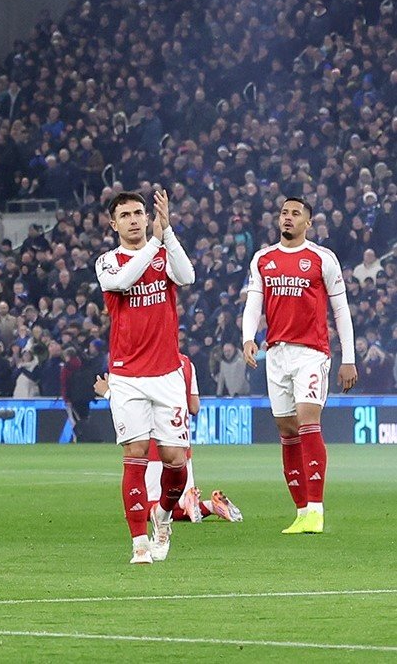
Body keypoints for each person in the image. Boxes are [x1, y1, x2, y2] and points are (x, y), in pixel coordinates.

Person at [242, 196, 357, 535]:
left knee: (308, 421)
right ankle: (302, 510)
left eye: (296, 214)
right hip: (276, 354)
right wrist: (249, 337)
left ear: (309, 223)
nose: (288, 218)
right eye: (284, 213)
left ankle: (317, 510)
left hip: (312, 353)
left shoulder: (322, 259)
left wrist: (348, 359)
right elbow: (254, 302)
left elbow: (342, 311)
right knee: (287, 431)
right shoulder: (263, 259)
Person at [94, 189, 195, 565]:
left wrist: (167, 233)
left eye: (140, 213)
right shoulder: (107, 262)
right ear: (113, 223)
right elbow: (122, 282)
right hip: (127, 376)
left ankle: (163, 518)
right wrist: (155, 241)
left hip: (168, 374)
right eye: (126, 215)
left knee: (174, 460)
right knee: (135, 455)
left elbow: (188, 275)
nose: (135, 219)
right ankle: (139, 541)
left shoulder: (162, 253)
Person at [96, 356, 243, 525]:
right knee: (169, 505)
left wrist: (107, 392)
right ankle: (210, 506)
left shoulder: (143, 361)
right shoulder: (187, 363)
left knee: (138, 508)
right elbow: (194, 407)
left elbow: (134, 407)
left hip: (152, 444)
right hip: (181, 446)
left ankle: (185, 502)